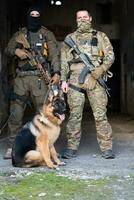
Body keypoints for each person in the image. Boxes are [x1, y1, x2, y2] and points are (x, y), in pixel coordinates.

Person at [4, 6, 61, 159]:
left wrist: (56, 72)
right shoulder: (20, 34)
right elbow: (8, 49)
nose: (34, 17)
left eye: (37, 15)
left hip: (40, 80)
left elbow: (55, 54)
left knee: (43, 115)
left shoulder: (46, 34)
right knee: (16, 114)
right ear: (28, 16)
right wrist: (16, 51)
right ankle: (11, 147)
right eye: (32, 15)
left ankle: (42, 146)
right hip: (21, 79)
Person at [60, 9, 115, 159]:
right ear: (76, 19)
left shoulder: (100, 36)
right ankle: (71, 147)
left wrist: (101, 69)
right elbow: (64, 62)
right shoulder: (69, 38)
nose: (83, 19)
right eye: (79, 17)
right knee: (74, 116)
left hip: (95, 79)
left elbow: (110, 55)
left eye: (85, 17)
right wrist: (63, 80)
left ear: (90, 18)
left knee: (100, 115)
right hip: (75, 81)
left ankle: (106, 148)